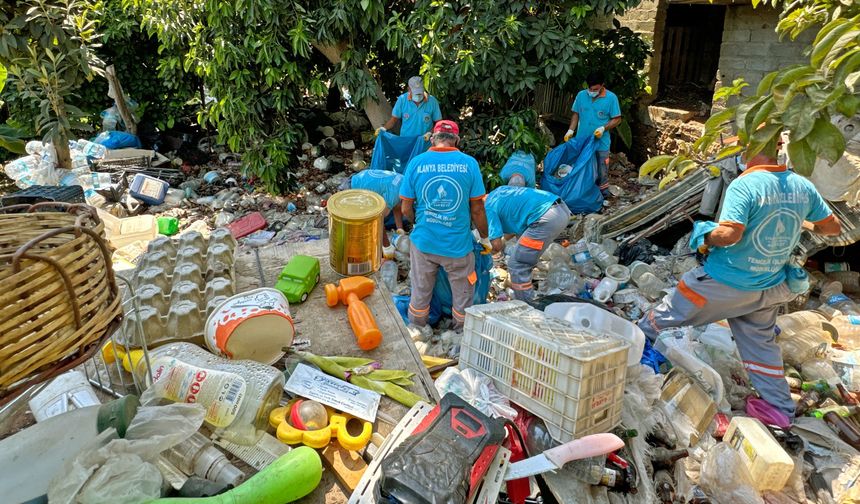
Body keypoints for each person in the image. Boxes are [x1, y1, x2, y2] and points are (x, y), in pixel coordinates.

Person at [636, 142, 842, 419]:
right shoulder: (801, 186)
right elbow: (832, 227)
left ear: (749, 149)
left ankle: (627, 358)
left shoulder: (745, 185)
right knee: (760, 346)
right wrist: (800, 221)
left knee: (661, 316)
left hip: (725, 282)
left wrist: (705, 234)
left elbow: (730, 235)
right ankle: (781, 410)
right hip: (769, 285)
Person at [400, 120, 489, 332]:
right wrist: (484, 237)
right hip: (457, 246)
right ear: (456, 140)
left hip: (424, 243)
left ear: (433, 138)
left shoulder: (416, 163)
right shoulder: (469, 164)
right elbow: (477, 209)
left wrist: (419, 223)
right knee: (463, 293)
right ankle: (461, 332)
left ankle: (417, 330)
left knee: (420, 290)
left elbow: (405, 208)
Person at [485, 186, 571, 301]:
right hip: (560, 208)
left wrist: (482, 252)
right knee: (522, 260)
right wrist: (503, 241)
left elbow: (496, 246)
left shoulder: (487, 209)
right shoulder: (498, 193)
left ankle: (528, 307)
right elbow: (515, 226)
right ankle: (524, 294)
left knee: (518, 265)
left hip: (546, 218)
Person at [564, 71, 622, 197]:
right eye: (590, 89)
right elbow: (576, 114)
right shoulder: (581, 95)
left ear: (602, 85)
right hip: (582, 141)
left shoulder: (611, 98)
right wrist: (571, 130)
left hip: (601, 142)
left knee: (602, 170)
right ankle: (583, 193)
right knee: (582, 168)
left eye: (595, 89)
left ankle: (602, 194)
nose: (592, 91)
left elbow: (617, 119)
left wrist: (603, 128)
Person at [348, 169, 405, 259]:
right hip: (354, 187)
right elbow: (378, 220)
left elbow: (397, 207)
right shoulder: (394, 195)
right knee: (363, 224)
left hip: (361, 176)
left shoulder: (404, 182)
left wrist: (400, 230)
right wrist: (387, 247)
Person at [377, 76, 442, 138]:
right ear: (409, 89)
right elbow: (393, 120)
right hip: (406, 141)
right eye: (416, 93)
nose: (418, 95)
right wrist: (383, 128)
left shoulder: (432, 101)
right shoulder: (402, 100)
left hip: (425, 141)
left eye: (420, 92)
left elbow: (439, 123)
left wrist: (430, 133)